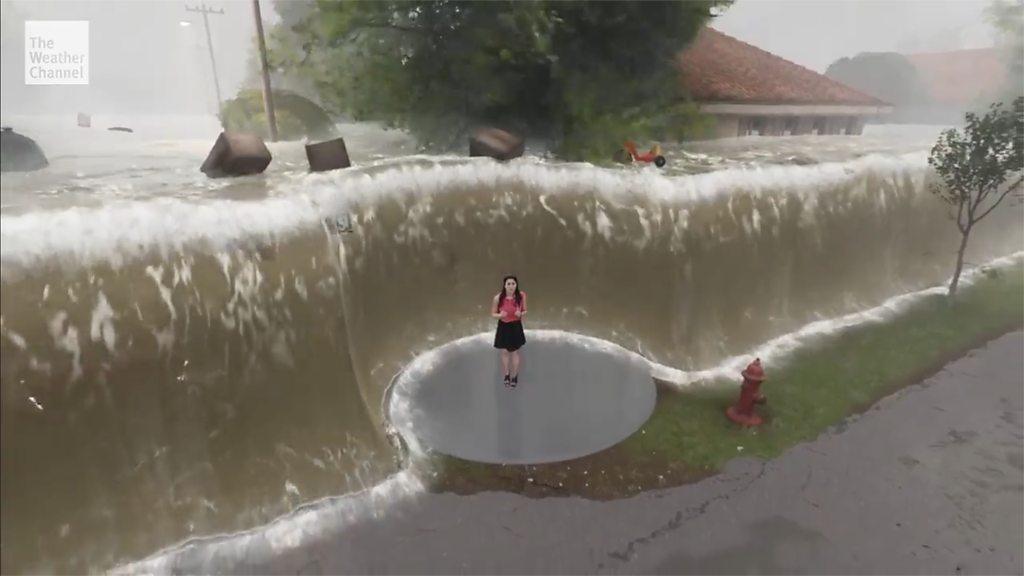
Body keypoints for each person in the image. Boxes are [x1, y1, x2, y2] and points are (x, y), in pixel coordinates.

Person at [491, 275, 527, 388]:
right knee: (505, 352)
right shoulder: (498, 298)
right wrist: (500, 315)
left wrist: (520, 314)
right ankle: (507, 374)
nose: (511, 286)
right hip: (504, 326)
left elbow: (525, 310)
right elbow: (493, 313)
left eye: (513, 284)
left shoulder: (521, 296)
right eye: (509, 284)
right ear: (505, 285)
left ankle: (515, 376)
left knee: (515, 352)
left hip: (516, 326)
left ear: (516, 285)